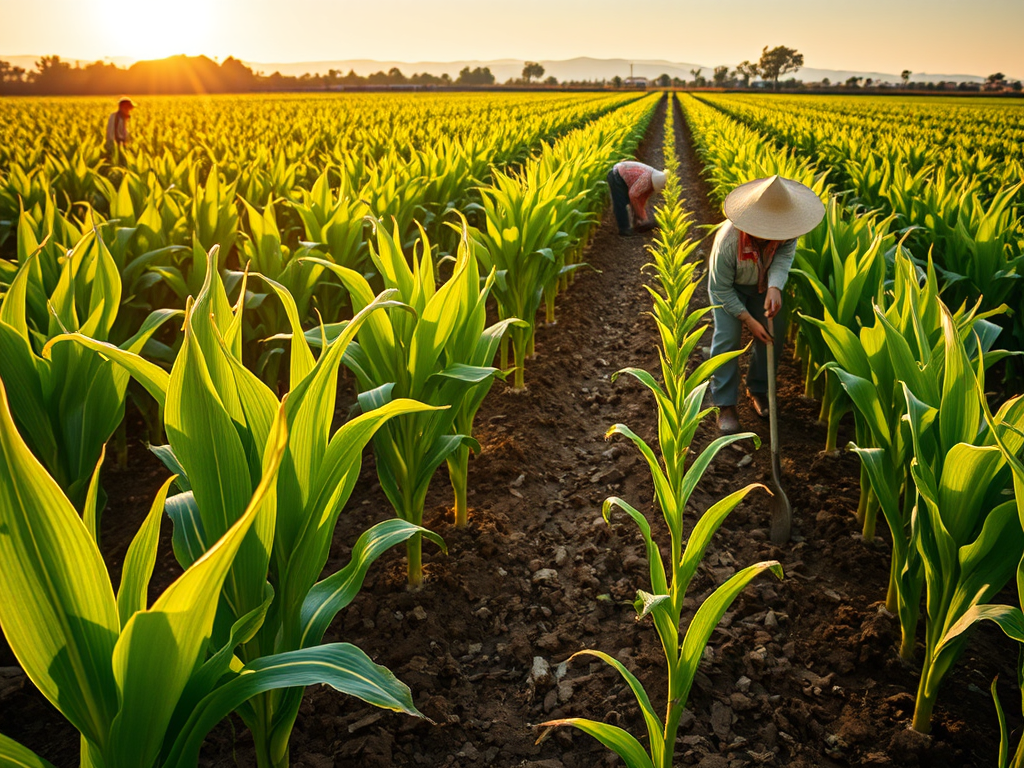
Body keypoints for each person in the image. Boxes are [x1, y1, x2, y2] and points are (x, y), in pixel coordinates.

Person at [707, 175, 825, 435]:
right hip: (730, 288)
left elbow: (783, 256)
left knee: (773, 335)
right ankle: (725, 403)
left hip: (763, 284)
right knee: (728, 338)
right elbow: (720, 289)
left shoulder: (788, 231)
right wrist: (748, 320)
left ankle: (758, 389)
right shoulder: (728, 241)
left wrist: (775, 286)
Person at [607, 161, 666, 236]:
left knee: (631, 201)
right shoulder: (646, 180)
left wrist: (642, 215)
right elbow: (633, 195)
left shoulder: (651, 180)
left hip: (623, 176)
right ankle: (624, 229)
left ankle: (636, 222)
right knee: (621, 202)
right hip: (616, 175)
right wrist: (642, 216)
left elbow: (642, 198)